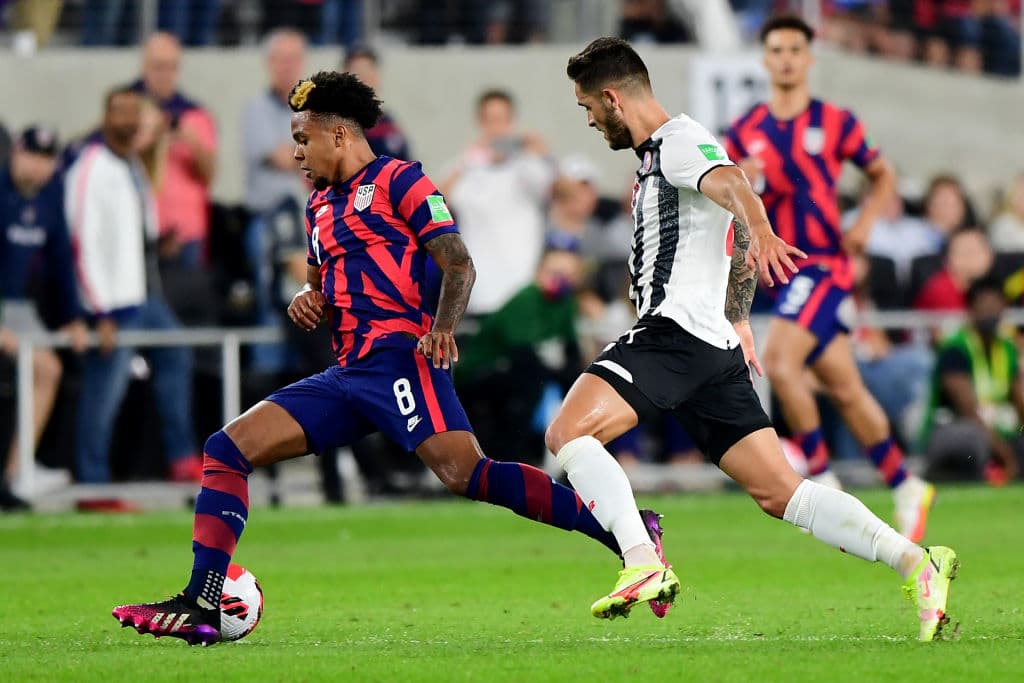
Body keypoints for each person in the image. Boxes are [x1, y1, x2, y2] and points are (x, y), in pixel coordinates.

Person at [112, 71, 665, 645]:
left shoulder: (400, 179)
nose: (297, 153)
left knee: (466, 474)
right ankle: (203, 597)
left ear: (340, 135)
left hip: (402, 360)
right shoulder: (318, 208)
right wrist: (311, 300)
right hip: (349, 374)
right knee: (227, 449)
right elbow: (321, 285)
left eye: (304, 139)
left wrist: (443, 328)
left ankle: (626, 532)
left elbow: (458, 262)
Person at [548, 36, 956, 639]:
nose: (588, 119)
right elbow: (729, 230)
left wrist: (764, 230)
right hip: (709, 345)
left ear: (612, 97)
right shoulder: (664, 154)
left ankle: (640, 559)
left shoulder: (678, 143)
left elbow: (737, 187)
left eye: (587, 106)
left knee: (567, 432)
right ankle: (916, 561)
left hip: (672, 335)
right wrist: (739, 315)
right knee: (781, 492)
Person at [724, 15, 935, 541]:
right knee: (843, 384)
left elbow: (883, 173)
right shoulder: (746, 130)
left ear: (810, 58)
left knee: (779, 363)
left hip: (823, 265)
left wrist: (862, 225)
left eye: (797, 48)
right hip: (784, 270)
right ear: (766, 59)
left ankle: (819, 476)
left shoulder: (836, 121)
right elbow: (725, 193)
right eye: (778, 49)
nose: (788, 58)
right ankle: (905, 483)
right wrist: (744, 178)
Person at [65, 87, 201, 484]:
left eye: (133, 113)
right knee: (104, 392)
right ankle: (93, 479)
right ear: (106, 116)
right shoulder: (91, 167)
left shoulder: (130, 165)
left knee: (177, 353)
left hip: (142, 294)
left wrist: (158, 244)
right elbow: (82, 243)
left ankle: (181, 456)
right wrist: (99, 310)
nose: (128, 120)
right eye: (120, 112)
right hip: (112, 303)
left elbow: (126, 233)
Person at [0, 126, 89, 500]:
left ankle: (15, 474)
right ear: (15, 154)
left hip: (17, 304)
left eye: (45, 160)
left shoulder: (50, 197)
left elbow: (60, 261)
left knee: (48, 368)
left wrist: (73, 316)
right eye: (31, 156)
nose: (36, 167)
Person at [440, 89, 554, 316]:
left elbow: (558, 190)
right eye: (490, 120)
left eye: (502, 120)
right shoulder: (467, 167)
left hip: (521, 293)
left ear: (512, 122)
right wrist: (466, 162)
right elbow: (433, 203)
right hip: (478, 296)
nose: (496, 128)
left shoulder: (529, 165)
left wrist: (540, 152)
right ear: (480, 123)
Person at [922, 276, 1022, 485]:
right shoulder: (955, 349)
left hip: (995, 430)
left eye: (995, 306)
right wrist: (1007, 456)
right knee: (972, 439)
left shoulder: (1007, 349)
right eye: (984, 306)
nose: (991, 313)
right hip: (953, 430)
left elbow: (1020, 400)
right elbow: (968, 411)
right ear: (971, 311)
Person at [132, 32, 218, 270]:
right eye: (158, 66)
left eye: (171, 67)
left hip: (186, 233)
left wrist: (193, 141)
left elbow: (209, 175)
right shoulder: (128, 110)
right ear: (145, 66)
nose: (164, 74)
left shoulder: (195, 115)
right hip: (139, 230)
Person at [342, 45, 411, 161]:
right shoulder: (333, 123)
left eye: (369, 69)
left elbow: (407, 164)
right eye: (357, 71)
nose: (364, 77)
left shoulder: (388, 122)